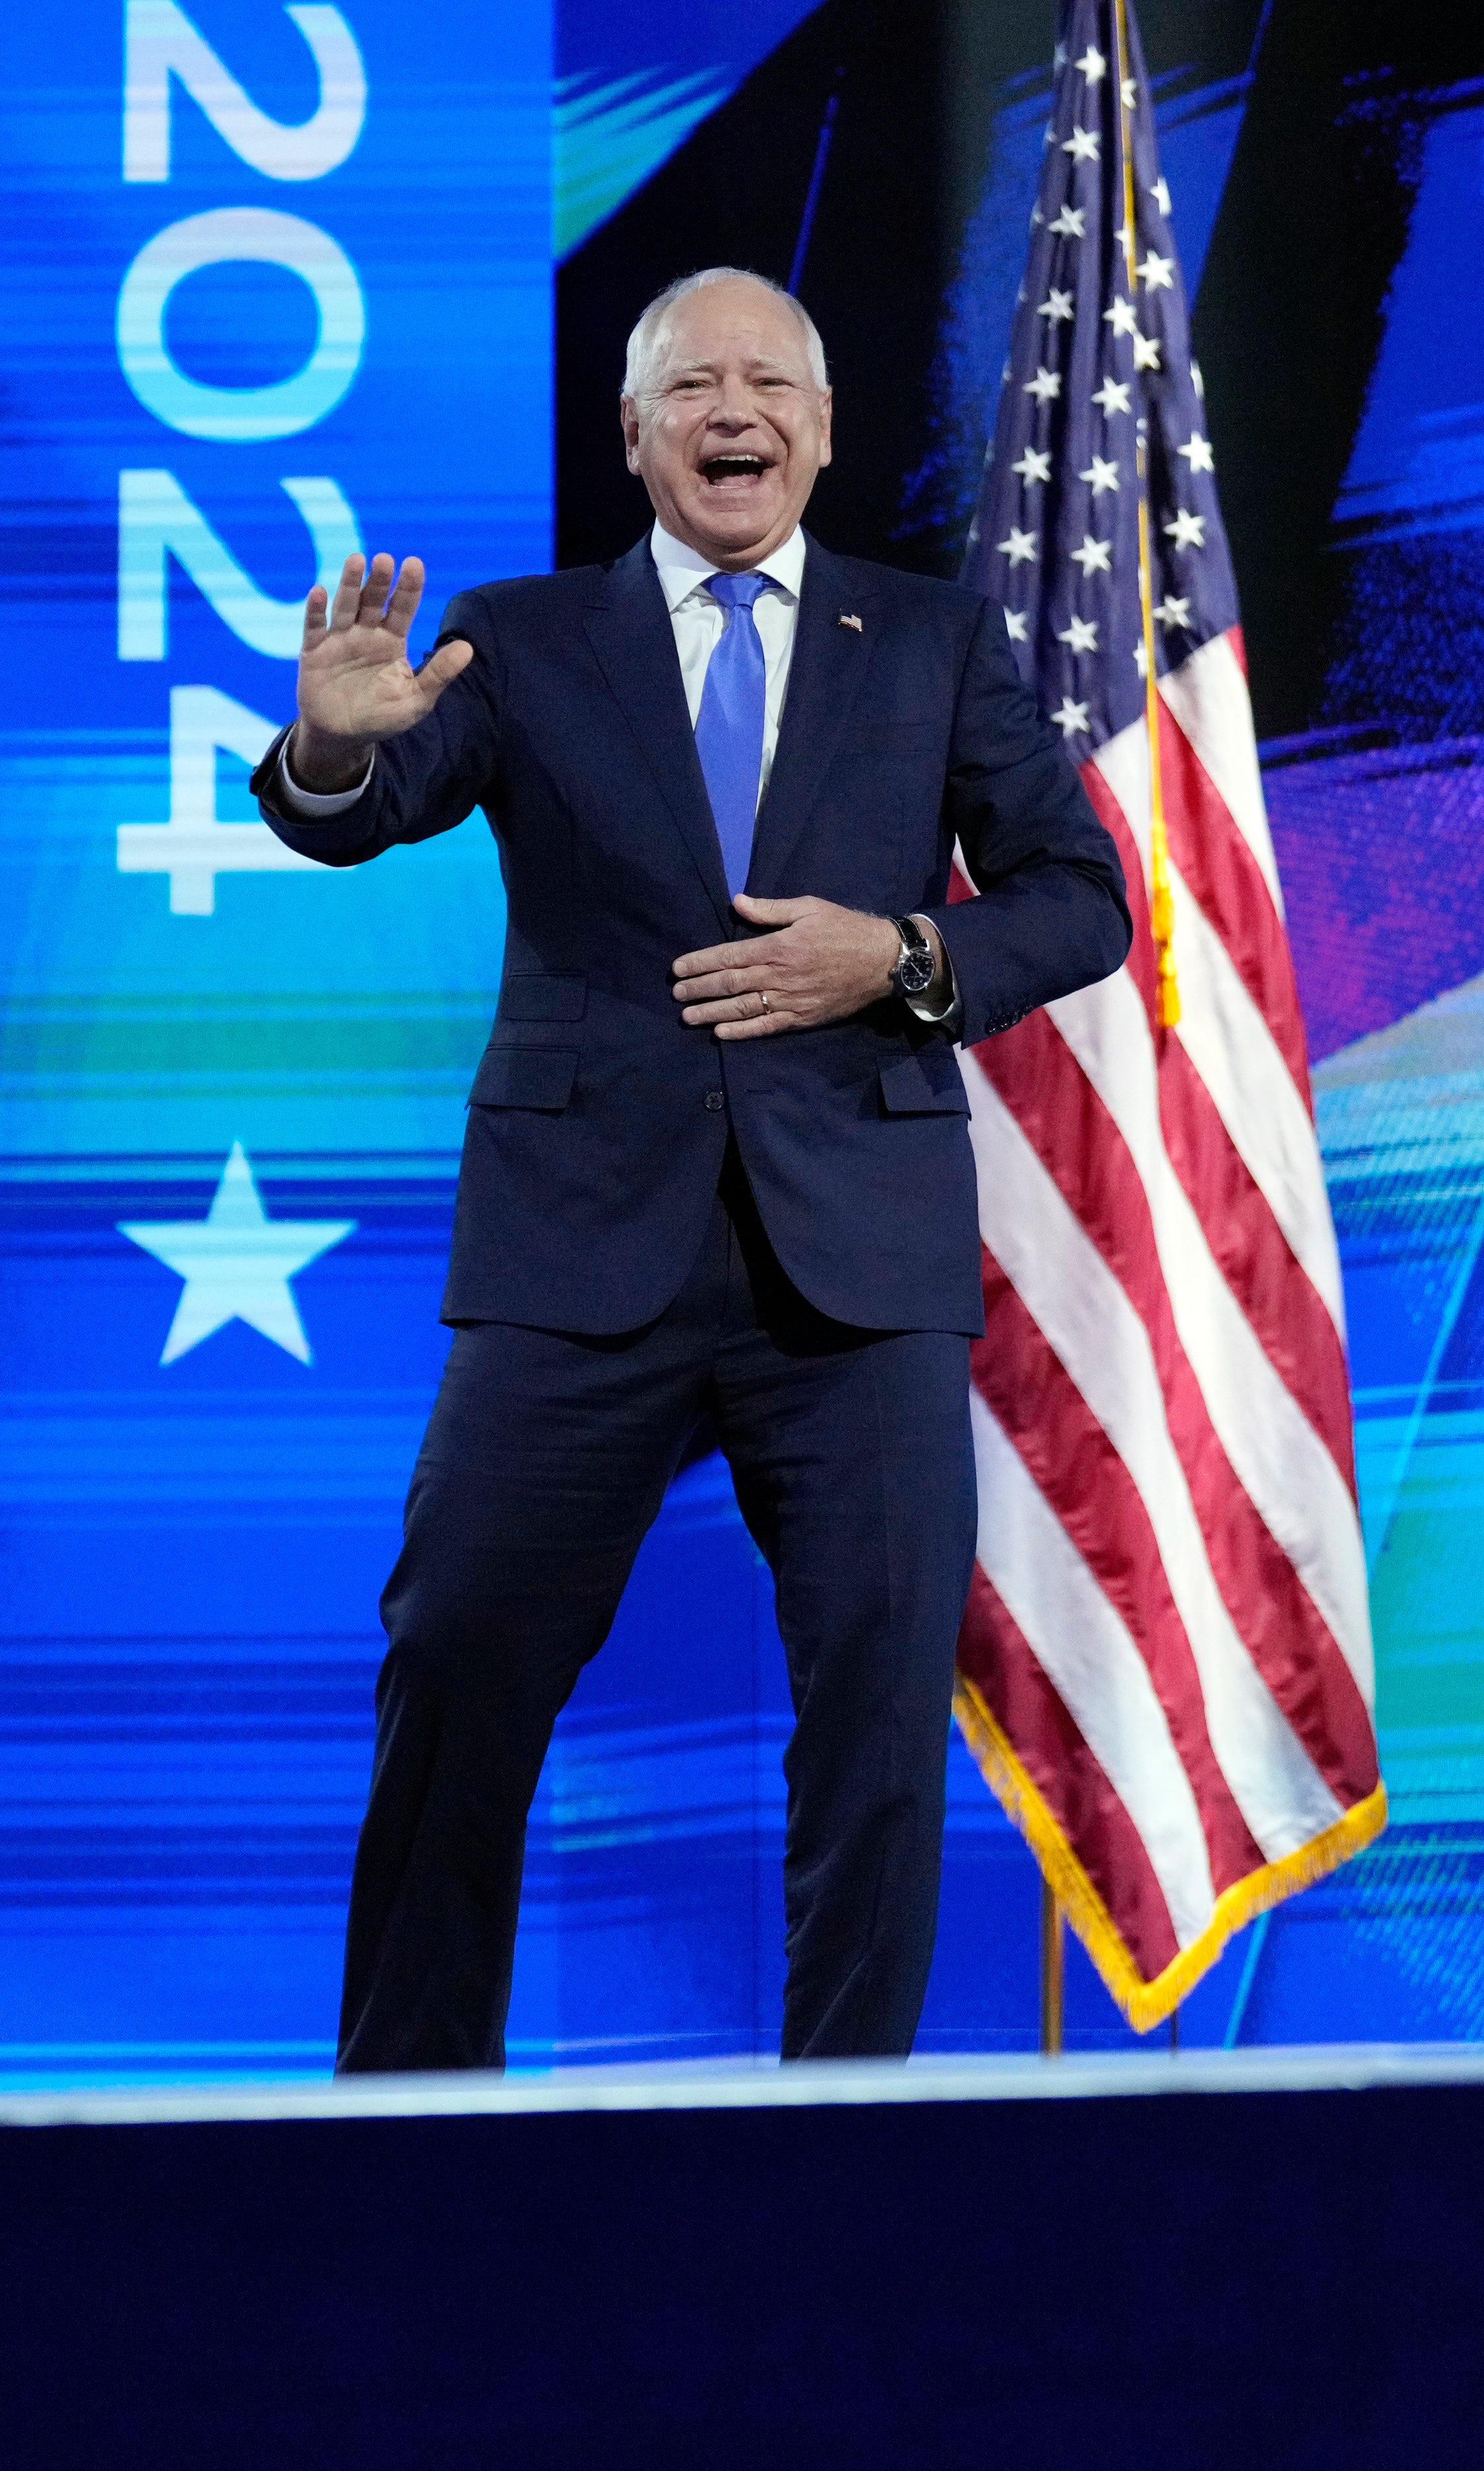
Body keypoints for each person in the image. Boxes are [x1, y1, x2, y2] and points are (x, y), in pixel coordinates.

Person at [258, 266, 1132, 2068]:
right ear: (636, 435)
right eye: (693, 388)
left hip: (859, 1255)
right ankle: (399, 2130)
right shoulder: (522, 637)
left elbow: (1082, 900)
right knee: (458, 1654)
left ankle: (842, 2143)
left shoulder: (938, 640)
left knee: (878, 1713)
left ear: (818, 428)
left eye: (771, 385)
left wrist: (893, 959)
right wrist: (330, 749)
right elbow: (364, 818)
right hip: (578, 1252)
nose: (735, 414)